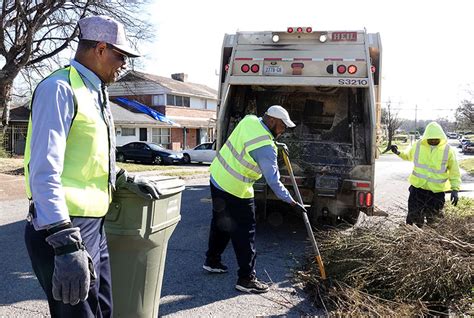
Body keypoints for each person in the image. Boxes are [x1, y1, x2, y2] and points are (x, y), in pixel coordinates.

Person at [23, 15, 158, 317]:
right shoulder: (59, 89)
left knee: (102, 310)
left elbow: (88, 155)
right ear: (100, 49)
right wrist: (64, 242)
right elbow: (43, 170)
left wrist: (122, 178)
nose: (123, 64)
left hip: (93, 227)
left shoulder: (95, 93)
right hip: (62, 228)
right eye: (120, 55)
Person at [203, 105, 306, 294]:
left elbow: (253, 139)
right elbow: (273, 182)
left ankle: (212, 261)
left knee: (222, 222)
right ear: (273, 121)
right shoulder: (266, 148)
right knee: (245, 232)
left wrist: (275, 144)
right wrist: (291, 201)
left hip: (217, 177)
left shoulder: (249, 120)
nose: (283, 131)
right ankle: (246, 279)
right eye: (282, 126)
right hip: (236, 188)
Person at [390, 122, 461, 227]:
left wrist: (455, 189)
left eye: (435, 139)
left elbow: (454, 171)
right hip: (417, 190)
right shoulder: (418, 146)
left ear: (441, 138)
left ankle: (431, 242)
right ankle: (413, 241)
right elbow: (408, 156)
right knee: (414, 221)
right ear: (426, 137)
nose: (433, 141)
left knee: (434, 222)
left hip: (436, 193)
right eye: (430, 139)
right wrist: (398, 152)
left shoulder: (448, 150)